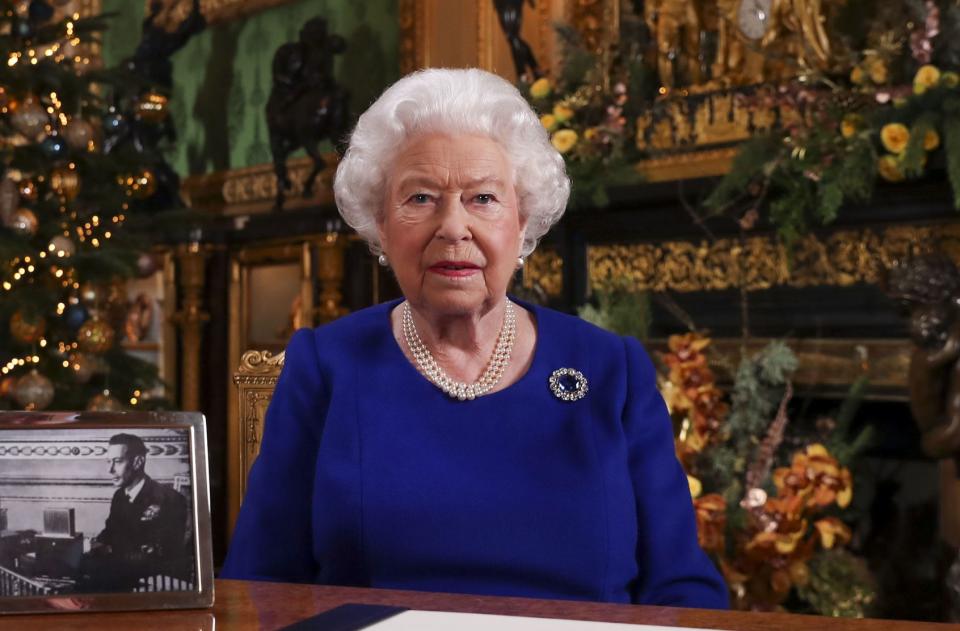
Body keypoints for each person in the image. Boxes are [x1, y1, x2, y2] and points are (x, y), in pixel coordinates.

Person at [222, 68, 728, 608]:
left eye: (482, 198)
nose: (453, 227)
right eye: (420, 198)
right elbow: (259, 585)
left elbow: (681, 585)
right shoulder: (326, 366)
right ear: (380, 223)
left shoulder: (610, 369)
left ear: (523, 218)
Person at [81, 433, 189, 591]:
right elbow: (110, 531)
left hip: (151, 579)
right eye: (108, 462)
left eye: (117, 462)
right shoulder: (119, 496)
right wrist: (94, 543)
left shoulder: (169, 499)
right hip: (119, 569)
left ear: (138, 462)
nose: (109, 470)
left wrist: (110, 550)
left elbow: (161, 552)